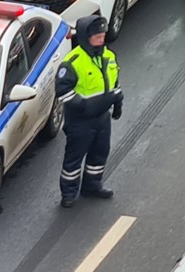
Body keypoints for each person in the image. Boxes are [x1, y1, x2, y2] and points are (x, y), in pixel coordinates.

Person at [55, 14, 122, 208]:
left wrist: (118, 101)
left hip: (102, 118)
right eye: (96, 36)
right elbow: (63, 91)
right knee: (74, 159)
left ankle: (92, 186)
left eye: (102, 34)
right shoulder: (73, 62)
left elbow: (114, 82)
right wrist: (85, 106)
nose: (101, 38)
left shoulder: (109, 56)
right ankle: (68, 193)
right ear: (86, 37)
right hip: (80, 121)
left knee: (100, 153)